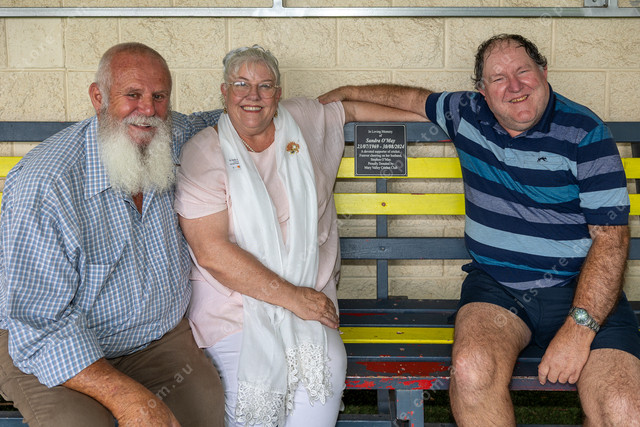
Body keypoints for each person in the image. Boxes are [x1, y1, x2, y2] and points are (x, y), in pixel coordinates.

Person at [319, 33, 640, 425]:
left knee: (625, 409)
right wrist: (348, 93)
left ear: (543, 72)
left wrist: (579, 329)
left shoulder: (585, 132)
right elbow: (409, 99)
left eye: (523, 71)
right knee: (472, 370)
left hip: (582, 287)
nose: (515, 86)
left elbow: (611, 238)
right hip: (497, 288)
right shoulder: (467, 112)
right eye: (499, 78)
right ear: (482, 91)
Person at [174, 45, 425, 427]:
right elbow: (212, 252)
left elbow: (353, 111)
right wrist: (292, 298)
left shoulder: (302, 122)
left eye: (265, 85)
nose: (253, 95)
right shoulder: (204, 153)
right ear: (224, 92)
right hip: (234, 306)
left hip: (311, 293)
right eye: (241, 84)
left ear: (278, 92)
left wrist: (440, 115)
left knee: (324, 367)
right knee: (251, 388)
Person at [0, 42, 225, 427]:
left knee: (202, 410)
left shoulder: (169, 134)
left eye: (159, 97)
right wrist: (130, 399)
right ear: (98, 97)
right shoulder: (46, 184)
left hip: (155, 339)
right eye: (132, 95)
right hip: (49, 345)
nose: (148, 109)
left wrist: (321, 107)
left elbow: (237, 113)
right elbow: (38, 323)